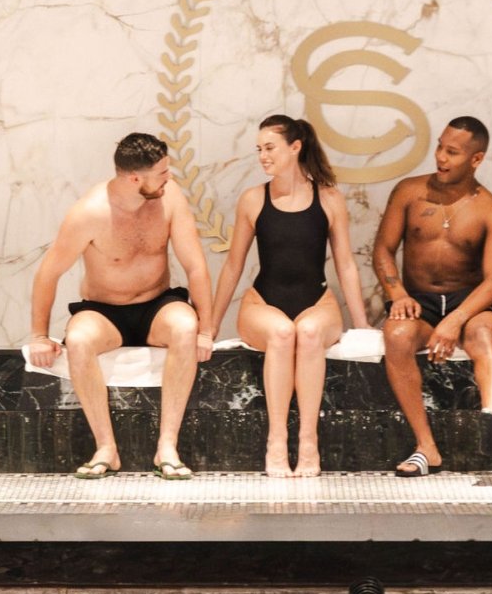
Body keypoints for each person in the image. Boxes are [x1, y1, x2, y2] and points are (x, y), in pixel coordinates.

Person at [29, 130, 215, 480]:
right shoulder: (89, 213)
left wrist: (206, 330)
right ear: (134, 179)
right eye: (161, 173)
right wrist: (39, 335)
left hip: (156, 304)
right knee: (80, 340)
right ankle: (106, 448)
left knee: (185, 327)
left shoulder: (170, 198)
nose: (169, 178)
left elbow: (195, 266)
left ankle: (167, 447)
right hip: (104, 310)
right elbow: (47, 273)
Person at [207, 113, 369, 478]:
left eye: (270, 148)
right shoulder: (253, 200)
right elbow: (233, 266)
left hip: (317, 302)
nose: (263, 156)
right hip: (262, 304)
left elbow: (345, 265)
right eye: (259, 149)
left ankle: (308, 441)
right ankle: (277, 440)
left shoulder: (328, 199)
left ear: (295, 147)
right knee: (282, 334)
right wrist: (210, 327)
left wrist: (361, 328)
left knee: (308, 334)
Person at [372, 116, 492, 476]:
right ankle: (426, 447)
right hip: (419, 301)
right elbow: (383, 250)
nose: (441, 158)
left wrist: (455, 320)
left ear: (476, 159)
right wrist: (397, 293)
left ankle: (491, 420)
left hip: (468, 302)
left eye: (452, 152)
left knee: (483, 334)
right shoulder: (409, 192)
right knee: (396, 334)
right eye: (440, 147)